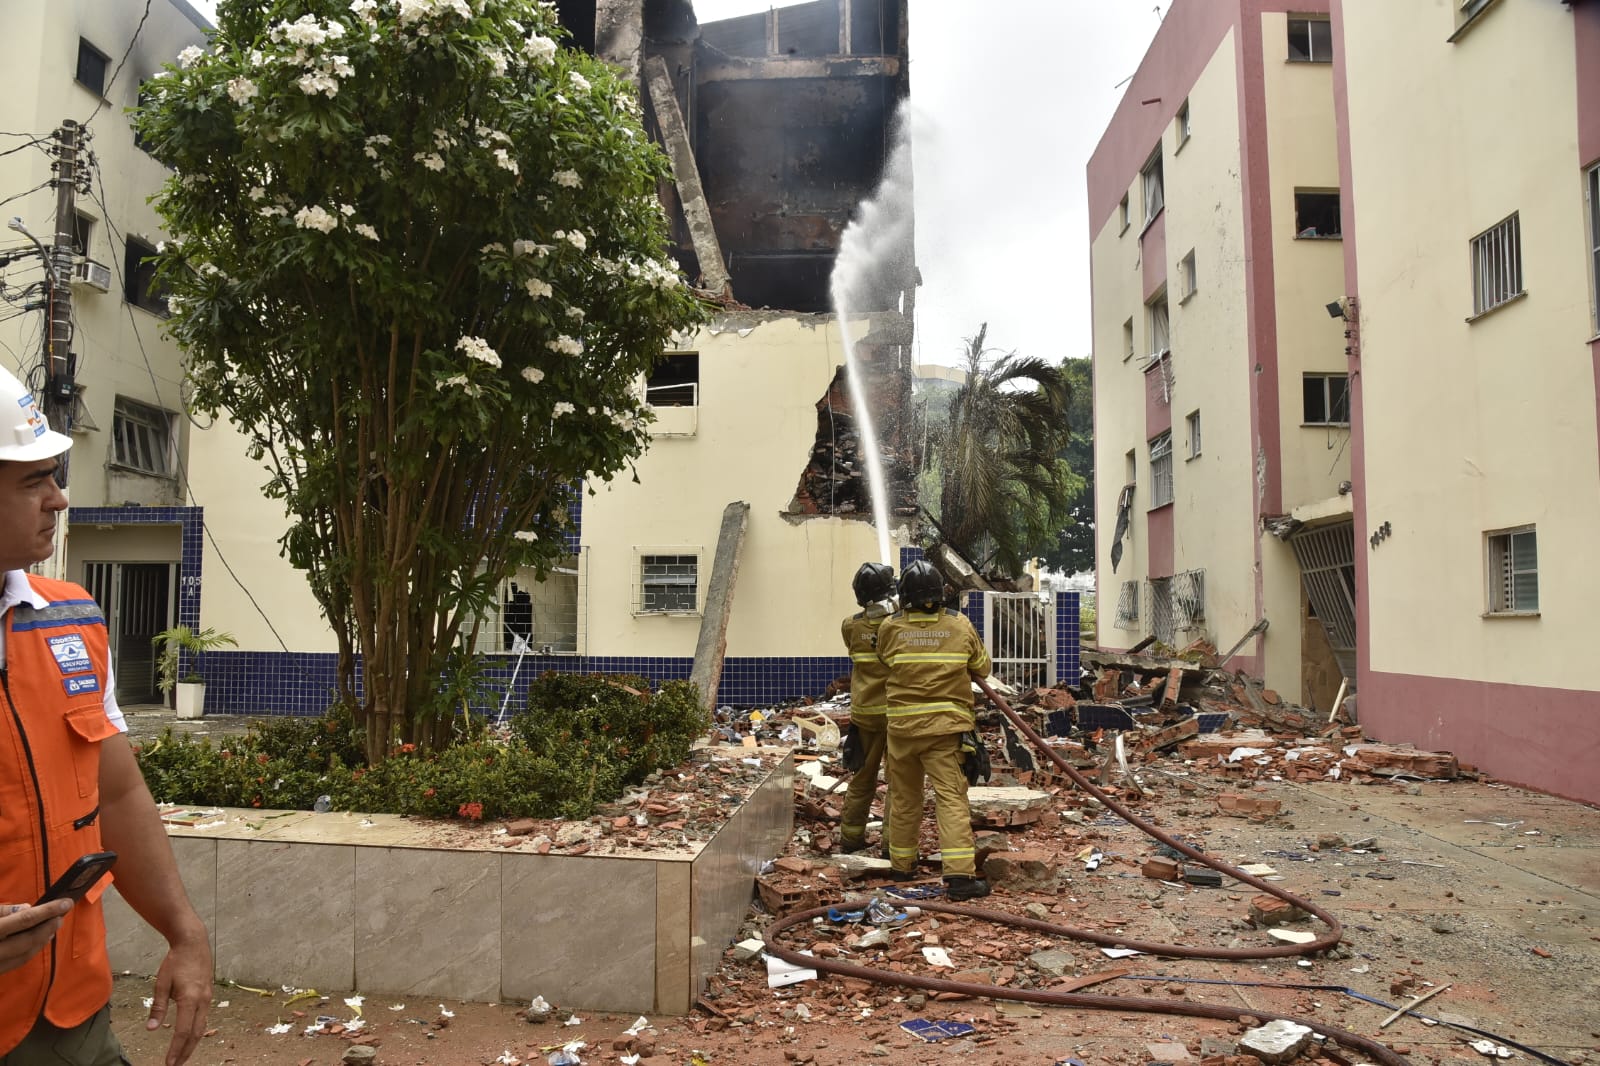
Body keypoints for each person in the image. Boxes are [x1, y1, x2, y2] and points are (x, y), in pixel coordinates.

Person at [0, 367, 211, 1066]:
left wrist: (184, 932)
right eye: (34, 481)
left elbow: (116, 793)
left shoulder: (73, 620)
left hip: (72, 1014)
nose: (59, 498)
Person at [877, 559, 992, 901]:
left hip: (902, 730)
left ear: (905, 595)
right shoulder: (959, 624)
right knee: (951, 799)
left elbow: (884, 661)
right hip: (945, 731)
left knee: (904, 797)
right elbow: (983, 666)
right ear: (941, 593)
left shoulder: (890, 627)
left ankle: (902, 866)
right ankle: (959, 878)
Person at [837, 562, 895, 854]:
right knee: (899, 784)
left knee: (862, 778)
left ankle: (850, 839)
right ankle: (893, 846)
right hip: (895, 714)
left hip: (864, 715)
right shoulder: (897, 625)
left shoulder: (851, 625)